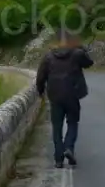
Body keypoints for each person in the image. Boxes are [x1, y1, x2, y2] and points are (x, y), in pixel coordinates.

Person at [35, 29, 94, 168]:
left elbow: (40, 77)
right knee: (73, 122)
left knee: (57, 126)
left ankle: (58, 159)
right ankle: (69, 148)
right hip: (72, 94)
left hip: (55, 95)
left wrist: (40, 92)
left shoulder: (48, 57)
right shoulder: (77, 54)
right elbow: (89, 63)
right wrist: (80, 47)